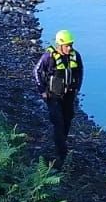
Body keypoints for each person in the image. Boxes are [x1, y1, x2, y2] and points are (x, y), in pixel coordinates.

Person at [33, 29, 83, 163]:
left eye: (71, 45)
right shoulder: (48, 57)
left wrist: (77, 88)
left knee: (67, 120)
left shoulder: (75, 56)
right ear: (60, 45)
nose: (70, 48)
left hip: (69, 95)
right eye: (67, 45)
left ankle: (62, 143)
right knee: (58, 122)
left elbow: (80, 72)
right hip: (53, 96)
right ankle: (61, 154)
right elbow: (37, 71)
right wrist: (42, 90)